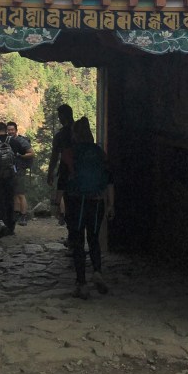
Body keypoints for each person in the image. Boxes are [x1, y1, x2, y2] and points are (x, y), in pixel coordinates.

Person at [64, 116, 114, 299]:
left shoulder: (71, 152)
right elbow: (109, 180)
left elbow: (63, 180)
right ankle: (98, 272)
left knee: (78, 242)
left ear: (75, 134)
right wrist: (111, 204)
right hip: (97, 200)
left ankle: (81, 283)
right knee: (94, 239)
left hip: (77, 201)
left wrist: (57, 203)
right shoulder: (99, 152)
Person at [46, 103, 74, 226]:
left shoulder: (61, 135)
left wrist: (50, 172)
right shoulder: (80, 131)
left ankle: (72, 235)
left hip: (66, 170)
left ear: (63, 116)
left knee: (68, 201)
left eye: (59, 116)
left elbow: (55, 155)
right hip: (81, 170)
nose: (59, 118)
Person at [0, 121, 17, 235]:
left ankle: (0, 227)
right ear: (6, 130)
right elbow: (25, 153)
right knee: (10, 201)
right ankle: (11, 227)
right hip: (10, 176)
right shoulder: (14, 142)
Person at [7, 120, 34, 226]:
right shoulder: (8, 141)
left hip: (20, 170)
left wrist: (21, 156)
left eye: (12, 130)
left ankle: (24, 215)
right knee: (14, 193)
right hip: (11, 171)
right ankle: (16, 214)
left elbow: (32, 153)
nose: (10, 132)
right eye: (8, 130)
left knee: (20, 194)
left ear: (16, 130)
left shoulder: (21, 141)